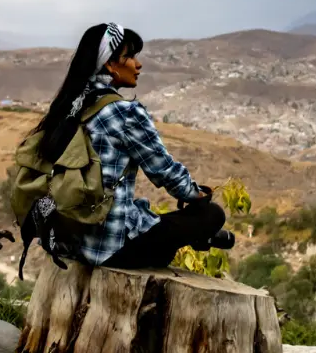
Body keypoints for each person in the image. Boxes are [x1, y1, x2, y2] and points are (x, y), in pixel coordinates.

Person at [26, 22, 234, 270]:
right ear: (110, 64)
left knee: (143, 213)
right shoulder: (124, 113)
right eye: (130, 56)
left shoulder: (69, 106)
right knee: (212, 215)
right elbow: (165, 171)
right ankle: (204, 237)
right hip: (109, 250)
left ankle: (203, 238)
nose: (138, 64)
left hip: (67, 240)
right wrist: (198, 195)